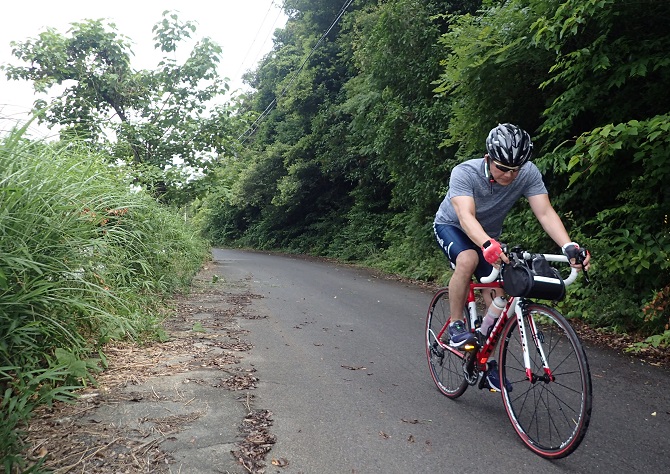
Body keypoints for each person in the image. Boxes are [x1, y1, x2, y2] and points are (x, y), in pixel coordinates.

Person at [433, 123, 590, 392]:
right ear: (487, 159)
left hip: (489, 235)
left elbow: (544, 212)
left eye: (515, 169)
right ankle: (457, 325)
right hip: (453, 226)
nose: (509, 175)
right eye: (502, 168)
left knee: (498, 292)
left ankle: (486, 362)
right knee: (469, 259)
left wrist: (569, 246)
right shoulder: (465, 173)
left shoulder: (526, 173)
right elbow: (465, 216)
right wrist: (486, 244)